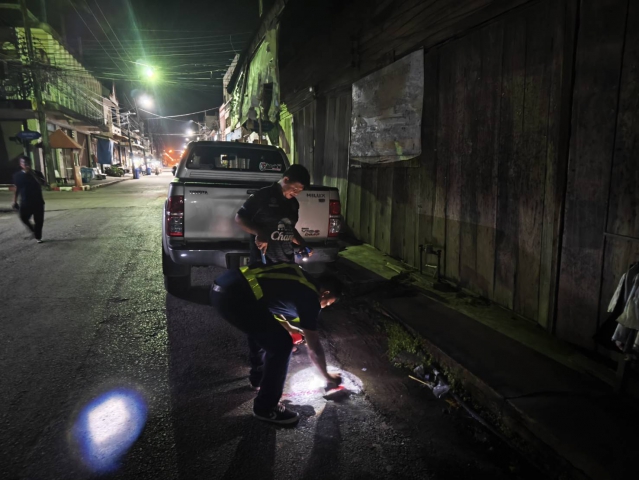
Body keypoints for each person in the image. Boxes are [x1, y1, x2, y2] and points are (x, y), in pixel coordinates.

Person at [210, 263, 342, 425]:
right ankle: (266, 408)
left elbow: (269, 301)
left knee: (260, 329)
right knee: (282, 345)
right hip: (235, 297)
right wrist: (327, 376)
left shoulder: (301, 278)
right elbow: (314, 347)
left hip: (223, 287)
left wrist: (290, 327)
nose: (324, 306)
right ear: (325, 293)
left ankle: (258, 379)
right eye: (327, 303)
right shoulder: (311, 298)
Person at [235, 164, 312, 265]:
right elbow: (240, 217)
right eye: (295, 188)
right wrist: (259, 233)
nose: (296, 193)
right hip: (263, 262)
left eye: (299, 190)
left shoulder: (293, 203)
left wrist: (303, 243)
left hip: (288, 262)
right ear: (286, 180)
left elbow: (290, 229)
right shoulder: (263, 195)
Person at [12, 156, 46, 243]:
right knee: (23, 217)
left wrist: (32, 174)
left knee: (39, 221)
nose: (27, 165)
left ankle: (38, 237)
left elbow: (43, 183)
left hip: (38, 201)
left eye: (28, 163)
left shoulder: (37, 173)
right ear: (21, 164)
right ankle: (33, 230)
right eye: (25, 163)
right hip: (25, 201)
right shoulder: (17, 176)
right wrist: (14, 201)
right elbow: (16, 188)